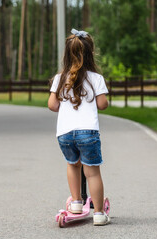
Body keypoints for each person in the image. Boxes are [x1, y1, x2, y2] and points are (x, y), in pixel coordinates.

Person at [48, 29, 110, 226]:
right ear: (91, 54)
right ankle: (99, 214)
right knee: (92, 172)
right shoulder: (96, 78)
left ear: (66, 55)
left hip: (65, 133)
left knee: (73, 165)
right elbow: (102, 104)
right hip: (87, 132)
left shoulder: (60, 78)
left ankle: (76, 203)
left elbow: (52, 105)